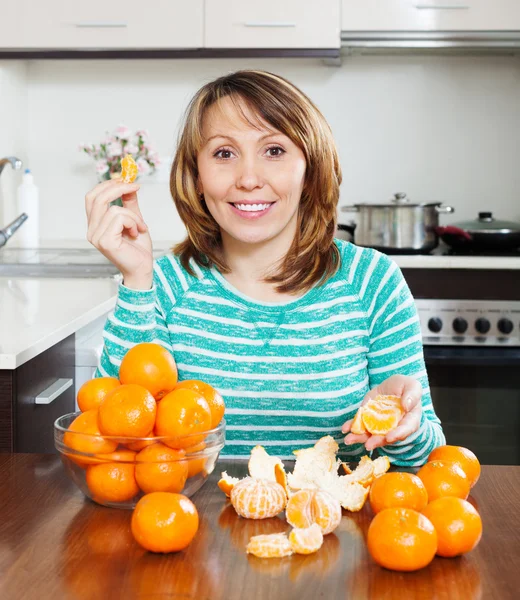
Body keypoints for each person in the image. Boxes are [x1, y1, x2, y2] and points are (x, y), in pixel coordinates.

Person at [85, 69, 445, 466]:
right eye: (224, 153)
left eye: (274, 150)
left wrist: (401, 427)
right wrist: (137, 280)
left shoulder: (372, 282)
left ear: (309, 170)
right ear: (197, 177)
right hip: (195, 521)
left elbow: (426, 460)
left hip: (337, 525)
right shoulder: (163, 286)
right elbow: (115, 447)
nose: (249, 179)